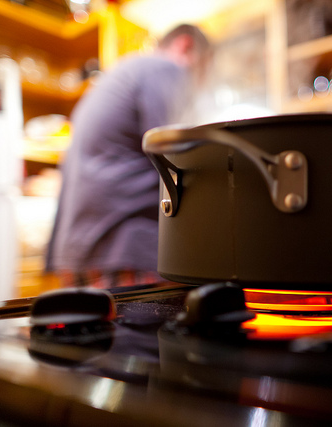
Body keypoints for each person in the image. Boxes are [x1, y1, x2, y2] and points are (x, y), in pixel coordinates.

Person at [45, 24, 212, 288]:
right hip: (124, 247)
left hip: (80, 250)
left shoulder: (120, 75)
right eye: (203, 69)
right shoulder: (163, 69)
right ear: (185, 46)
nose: (200, 81)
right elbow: (181, 157)